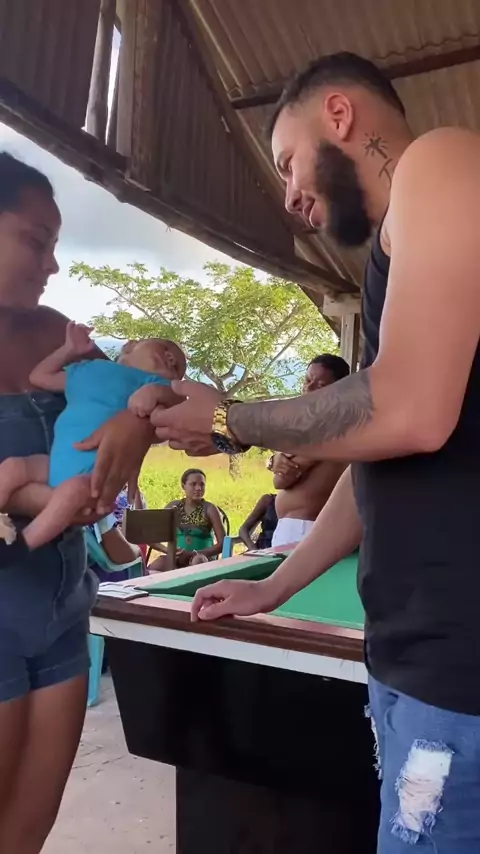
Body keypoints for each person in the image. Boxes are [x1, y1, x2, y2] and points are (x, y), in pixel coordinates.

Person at [153, 52, 480, 853]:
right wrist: (276, 584)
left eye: (287, 161)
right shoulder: (403, 262)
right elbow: (378, 459)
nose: (290, 196)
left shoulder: (440, 160)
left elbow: (410, 412)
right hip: (412, 659)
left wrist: (230, 418)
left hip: (461, 674)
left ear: (339, 115)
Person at [0, 152, 154, 853]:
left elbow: (118, 410)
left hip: (62, 610)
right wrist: (51, 495)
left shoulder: (52, 333)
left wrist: (134, 428)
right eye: (36, 242)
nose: (51, 264)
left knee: (26, 834)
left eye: (55, 244)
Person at [0, 327, 185, 551]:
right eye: (165, 348)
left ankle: (20, 547)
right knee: (13, 467)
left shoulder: (151, 382)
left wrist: (158, 392)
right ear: (131, 345)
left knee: (72, 493)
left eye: (176, 367)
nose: (171, 358)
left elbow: (181, 401)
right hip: (57, 462)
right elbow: (40, 377)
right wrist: (68, 350)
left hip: (92, 476)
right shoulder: (89, 369)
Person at [269, 354, 349, 547]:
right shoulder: (320, 427)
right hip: (300, 527)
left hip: (304, 529)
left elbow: (280, 480)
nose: (309, 388)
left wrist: (278, 458)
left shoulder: (330, 429)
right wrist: (274, 459)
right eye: (307, 380)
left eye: (320, 385)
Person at [148, 468, 225, 571]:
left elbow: (223, 543)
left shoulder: (209, 509)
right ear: (183, 486)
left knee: (198, 561)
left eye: (202, 484)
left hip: (203, 558)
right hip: (177, 558)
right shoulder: (174, 507)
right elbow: (149, 536)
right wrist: (168, 551)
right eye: (193, 484)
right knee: (157, 565)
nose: (198, 488)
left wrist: (195, 553)